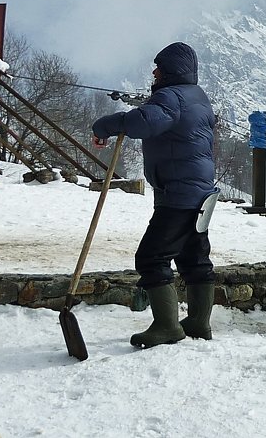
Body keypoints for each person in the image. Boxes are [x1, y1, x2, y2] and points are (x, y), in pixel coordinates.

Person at [91, 42, 217, 348]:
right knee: (194, 258)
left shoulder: (170, 97)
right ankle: (199, 322)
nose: (154, 72)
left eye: (159, 67)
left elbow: (144, 122)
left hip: (179, 195)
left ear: (171, 70)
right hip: (201, 194)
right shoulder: (197, 97)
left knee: (151, 257)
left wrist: (104, 125)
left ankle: (167, 326)